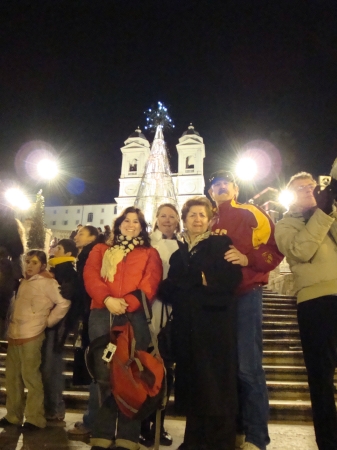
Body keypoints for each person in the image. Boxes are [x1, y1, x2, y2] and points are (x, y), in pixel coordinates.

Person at [158, 197, 242, 450]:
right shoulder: (179, 252)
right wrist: (195, 280)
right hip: (187, 327)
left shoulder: (220, 243)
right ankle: (194, 440)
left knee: (216, 385)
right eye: (192, 215)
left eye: (202, 215)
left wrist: (193, 280)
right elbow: (170, 289)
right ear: (184, 220)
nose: (197, 219)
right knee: (194, 384)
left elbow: (229, 279)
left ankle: (219, 443)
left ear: (209, 220)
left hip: (214, 326)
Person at [208, 170, 283, 450]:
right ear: (210, 193)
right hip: (217, 302)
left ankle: (256, 437)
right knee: (225, 370)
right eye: (216, 185)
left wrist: (247, 258)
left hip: (245, 295)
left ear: (236, 190)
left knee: (248, 367)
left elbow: (275, 247)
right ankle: (234, 431)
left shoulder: (251, 212)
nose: (221, 187)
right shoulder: (208, 219)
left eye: (226, 183)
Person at [83, 206, 163, 450]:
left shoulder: (150, 253)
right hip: (101, 312)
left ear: (142, 226)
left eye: (136, 221)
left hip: (133, 315)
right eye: (126, 221)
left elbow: (150, 283)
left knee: (132, 374)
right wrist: (107, 299)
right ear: (118, 224)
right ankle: (102, 433)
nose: (131, 225)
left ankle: (128, 436)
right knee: (104, 373)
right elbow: (90, 275)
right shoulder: (100, 249)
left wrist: (126, 303)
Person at [275, 172, 337, 450]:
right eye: (300, 188)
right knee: (321, 377)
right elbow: (301, 251)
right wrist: (322, 214)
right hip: (315, 302)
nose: (308, 190)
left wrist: (329, 209)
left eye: (311, 186)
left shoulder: (331, 212)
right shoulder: (286, 224)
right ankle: (329, 441)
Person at [0, 250, 70, 430]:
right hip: (16, 334)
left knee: (31, 377)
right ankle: (13, 415)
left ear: (43, 266)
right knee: (12, 378)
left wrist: (48, 321)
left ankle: (34, 418)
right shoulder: (23, 282)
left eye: (35, 262)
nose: (29, 265)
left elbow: (64, 302)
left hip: (32, 334)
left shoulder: (47, 283)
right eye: (28, 261)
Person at [140, 203, 181, 447]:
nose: (167, 220)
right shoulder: (147, 245)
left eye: (172, 217)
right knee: (145, 368)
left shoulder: (182, 245)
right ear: (156, 219)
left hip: (172, 312)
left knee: (166, 371)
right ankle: (142, 423)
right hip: (148, 309)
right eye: (163, 216)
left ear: (178, 221)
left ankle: (159, 423)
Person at [68, 225, 104, 437]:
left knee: (95, 369)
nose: (76, 236)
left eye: (81, 233)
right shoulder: (87, 254)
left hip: (93, 314)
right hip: (90, 313)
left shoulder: (92, 253)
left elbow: (87, 286)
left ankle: (93, 421)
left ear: (92, 237)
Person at [41, 239, 80, 422]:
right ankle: (50, 406)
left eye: (59, 248)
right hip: (52, 325)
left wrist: (51, 321)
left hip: (57, 327)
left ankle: (55, 408)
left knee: (52, 367)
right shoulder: (57, 270)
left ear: (68, 253)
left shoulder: (66, 272)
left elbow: (66, 299)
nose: (54, 250)